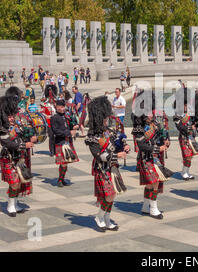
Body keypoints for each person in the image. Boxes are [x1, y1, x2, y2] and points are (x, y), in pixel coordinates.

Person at [85, 96, 130, 232]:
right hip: (102, 169)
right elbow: (100, 156)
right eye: (104, 118)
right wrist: (118, 156)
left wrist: (125, 146)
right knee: (109, 195)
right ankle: (99, 217)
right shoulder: (92, 137)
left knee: (112, 195)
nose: (106, 120)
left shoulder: (109, 132)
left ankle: (106, 218)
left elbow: (118, 143)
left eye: (106, 118)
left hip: (112, 169)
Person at [131, 90, 169, 219]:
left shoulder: (155, 124)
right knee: (154, 182)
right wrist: (158, 149)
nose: (151, 114)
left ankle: (145, 206)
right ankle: (153, 208)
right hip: (145, 158)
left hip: (154, 158)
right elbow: (142, 146)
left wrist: (166, 140)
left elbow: (162, 135)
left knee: (151, 183)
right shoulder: (138, 128)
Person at [0, 92, 37, 217]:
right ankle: (10, 205)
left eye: (12, 115)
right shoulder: (3, 128)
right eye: (9, 116)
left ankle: (15, 204)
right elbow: (7, 142)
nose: (11, 118)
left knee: (19, 182)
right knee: (14, 182)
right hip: (8, 157)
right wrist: (24, 145)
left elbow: (28, 131)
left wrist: (33, 136)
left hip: (20, 157)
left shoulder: (19, 124)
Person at [50, 99, 80, 187]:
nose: (63, 109)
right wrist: (69, 133)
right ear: (57, 107)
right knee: (63, 163)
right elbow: (56, 131)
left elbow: (69, 125)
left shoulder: (66, 116)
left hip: (68, 141)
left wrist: (74, 126)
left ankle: (62, 179)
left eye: (64, 107)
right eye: (62, 107)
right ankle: (60, 179)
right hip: (60, 142)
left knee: (66, 162)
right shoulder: (54, 118)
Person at [173, 87, 197, 180]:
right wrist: (190, 128)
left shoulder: (190, 112)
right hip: (183, 137)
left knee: (190, 156)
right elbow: (180, 127)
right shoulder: (177, 114)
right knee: (187, 155)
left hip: (191, 136)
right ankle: (184, 172)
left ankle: (186, 171)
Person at [40, 84, 57, 156]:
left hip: (56, 123)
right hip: (49, 123)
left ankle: (56, 150)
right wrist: (48, 116)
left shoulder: (56, 104)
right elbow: (42, 113)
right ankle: (52, 151)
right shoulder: (44, 104)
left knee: (57, 137)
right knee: (51, 137)